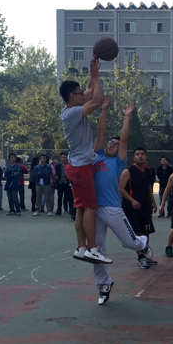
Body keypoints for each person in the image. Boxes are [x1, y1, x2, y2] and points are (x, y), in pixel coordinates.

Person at [90, 98, 153, 305]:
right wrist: (104, 110)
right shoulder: (98, 156)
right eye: (111, 142)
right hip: (94, 209)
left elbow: (124, 140)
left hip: (112, 209)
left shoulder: (118, 163)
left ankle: (142, 244)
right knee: (97, 251)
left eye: (116, 145)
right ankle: (103, 284)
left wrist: (127, 117)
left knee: (130, 243)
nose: (112, 144)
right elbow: (100, 133)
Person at [60, 56, 105, 263]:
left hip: (75, 165)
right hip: (81, 167)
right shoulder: (73, 113)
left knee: (80, 207)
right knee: (90, 208)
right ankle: (92, 249)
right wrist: (96, 78)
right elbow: (97, 100)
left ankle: (80, 248)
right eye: (79, 93)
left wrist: (93, 74)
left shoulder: (70, 109)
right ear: (72, 96)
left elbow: (89, 92)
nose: (82, 95)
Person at [119, 147, 158, 269]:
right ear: (134, 158)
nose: (140, 156)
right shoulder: (128, 171)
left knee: (146, 231)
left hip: (145, 205)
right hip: (131, 206)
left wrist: (153, 202)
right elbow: (121, 188)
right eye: (137, 154)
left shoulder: (149, 171)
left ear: (146, 157)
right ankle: (140, 257)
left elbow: (148, 187)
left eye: (142, 154)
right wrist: (132, 200)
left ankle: (145, 255)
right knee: (137, 232)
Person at [55, 152, 74, 217]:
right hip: (60, 183)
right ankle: (59, 210)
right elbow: (56, 173)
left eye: (65, 157)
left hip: (67, 183)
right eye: (63, 157)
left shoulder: (70, 165)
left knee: (69, 197)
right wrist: (57, 178)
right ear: (60, 158)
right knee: (60, 197)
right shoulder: (58, 165)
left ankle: (71, 210)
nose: (64, 158)